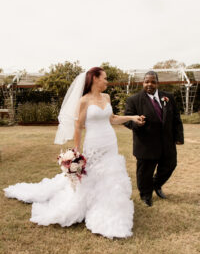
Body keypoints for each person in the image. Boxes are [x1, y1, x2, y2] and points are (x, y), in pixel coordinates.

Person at [4, 67, 144, 239]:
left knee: (111, 176)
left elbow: (112, 119)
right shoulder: (84, 100)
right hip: (94, 144)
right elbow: (78, 126)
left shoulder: (106, 97)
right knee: (92, 176)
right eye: (105, 78)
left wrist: (132, 117)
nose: (107, 81)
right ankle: (92, 206)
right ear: (95, 79)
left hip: (110, 143)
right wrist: (76, 151)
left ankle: (111, 206)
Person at [124, 71, 184, 207]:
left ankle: (156, 185)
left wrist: (179, 137)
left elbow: (176, 118)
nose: (149, 84)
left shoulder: (168, 97)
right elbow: (127, 119)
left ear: (157, 83)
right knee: (145, 172)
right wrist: (136, 123)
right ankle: (146, 194)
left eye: (153, 82)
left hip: (167, 142)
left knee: (170, 165)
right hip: (146, 144)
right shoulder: (133, 100)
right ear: (143, 83)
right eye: (147, 82)